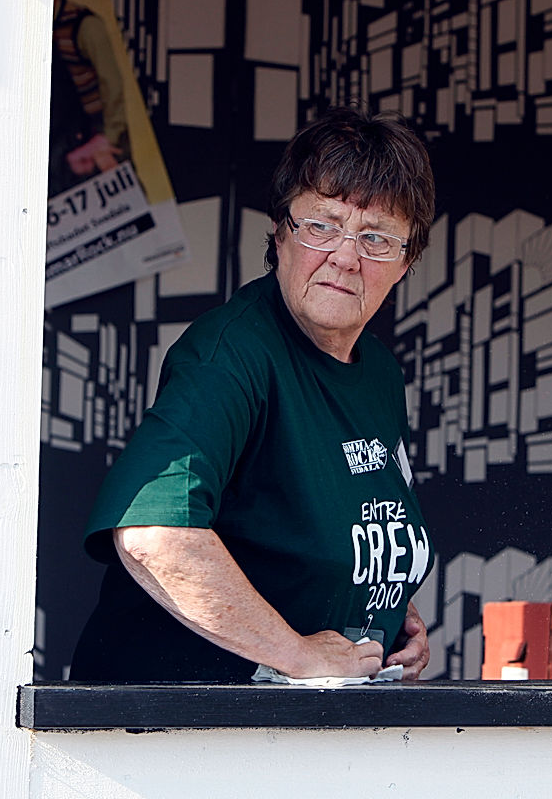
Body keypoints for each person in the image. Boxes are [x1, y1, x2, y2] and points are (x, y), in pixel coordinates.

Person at [68, 107, 437, 683]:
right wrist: (299, 655)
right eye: (322, 225)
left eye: (377, 237)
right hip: (169, 733)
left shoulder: (380, 375)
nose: (345, 256)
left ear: (407, 260)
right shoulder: (230, 356)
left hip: (291, 743)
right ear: (280, 231)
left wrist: (386, 616)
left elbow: (323, 536)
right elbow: (155, 535)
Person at [48, 0, 131, 196]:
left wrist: (108, 139)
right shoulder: (38, 27)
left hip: (95, 136)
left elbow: (113, 86)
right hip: (62, 142)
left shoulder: (85, 26)